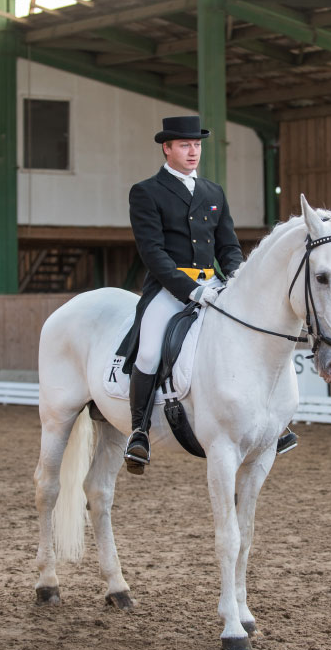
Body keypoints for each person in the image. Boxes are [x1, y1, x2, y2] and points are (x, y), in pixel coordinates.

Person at [124, 114, 297, 474]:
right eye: (185, 145)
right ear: (167, 148)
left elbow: (229, 247)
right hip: (172, 288)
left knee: (250, 338)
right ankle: (139, 431)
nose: (192, 152)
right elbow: (153, 253)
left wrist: (238, 282)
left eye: (197, 145)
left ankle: (272, 423)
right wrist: (190, 290)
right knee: (151, 349)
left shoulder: (212, 192)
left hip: (216, 285)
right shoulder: (146, 192)